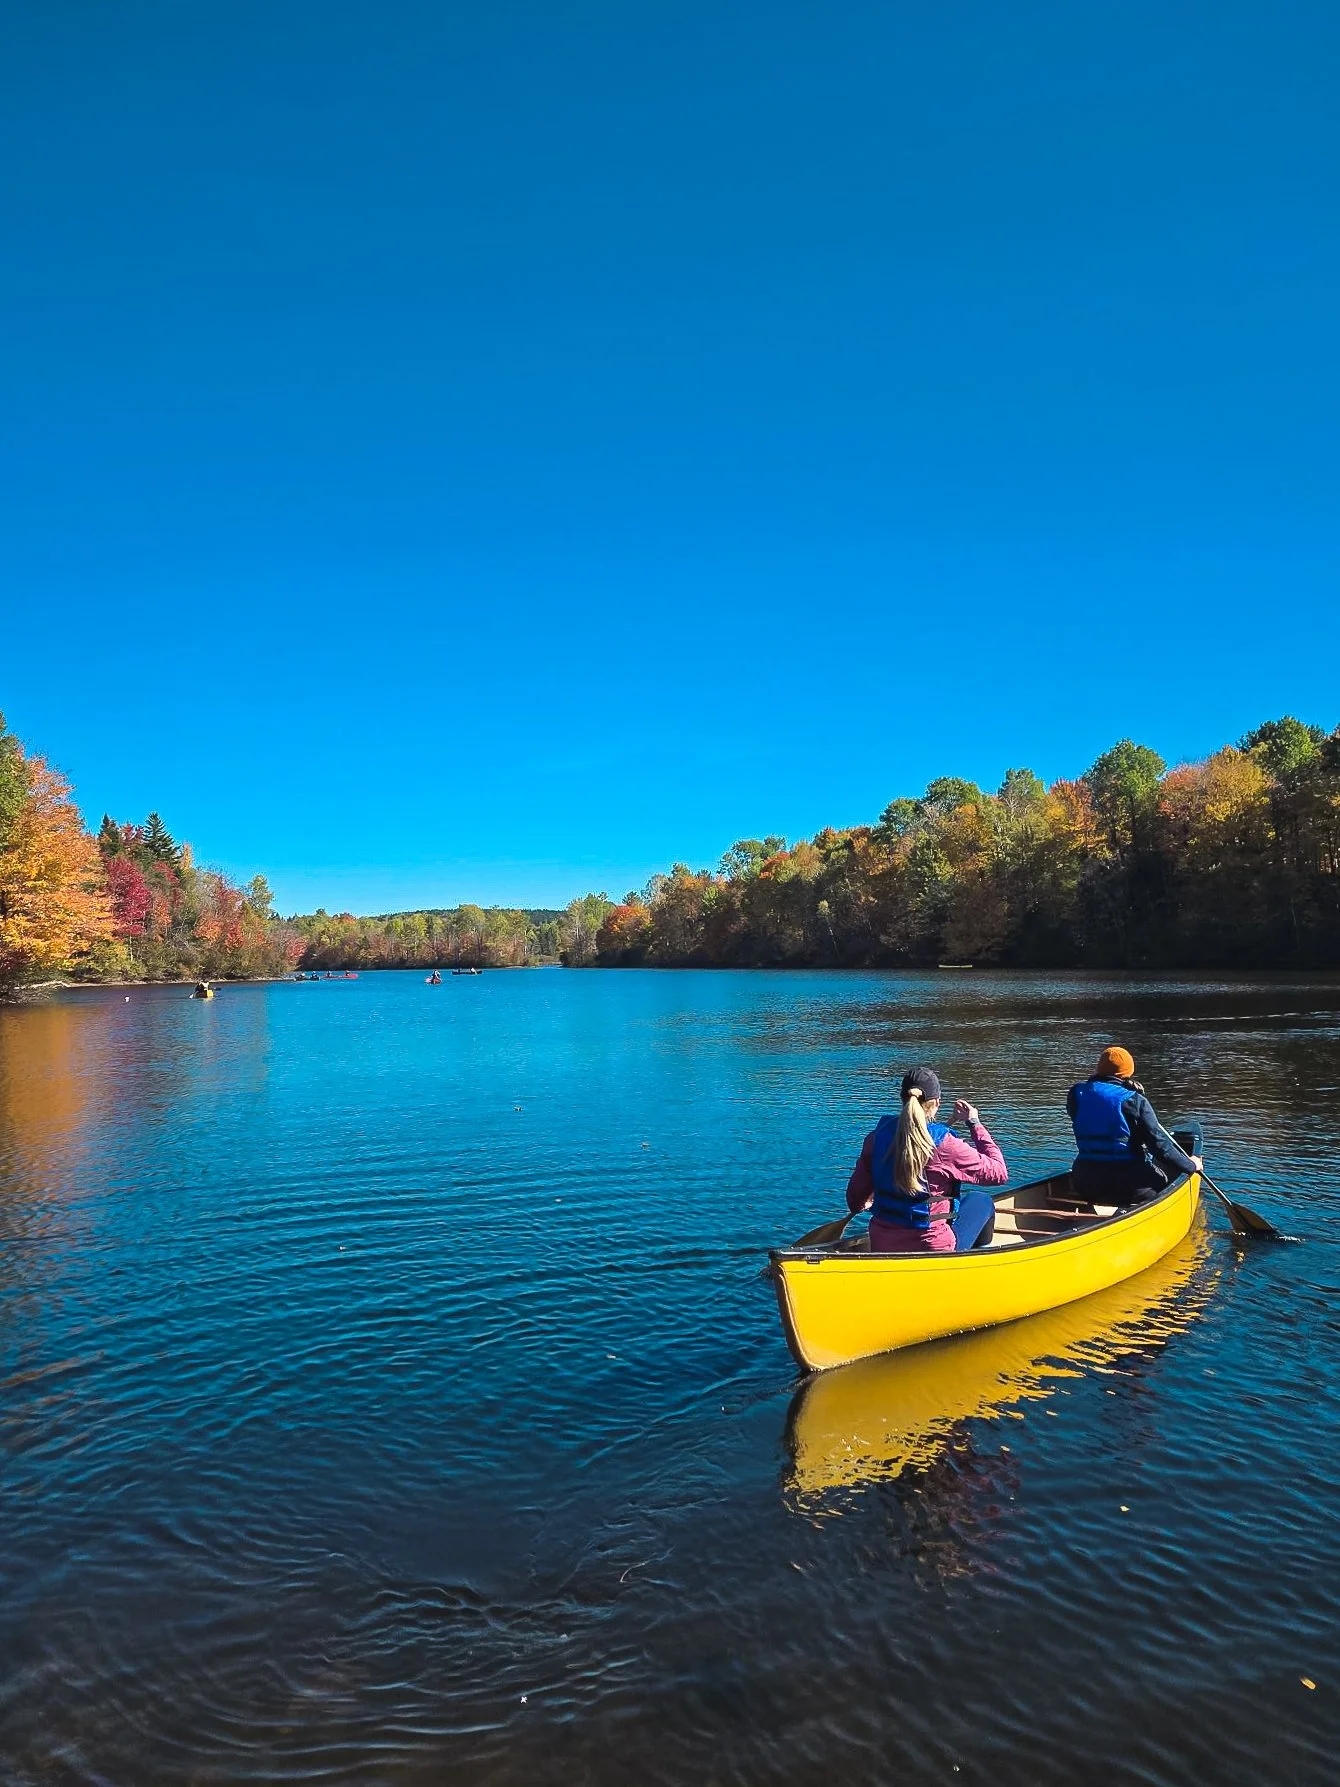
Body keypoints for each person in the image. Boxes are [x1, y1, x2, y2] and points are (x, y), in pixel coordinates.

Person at [845, 1066, 1009, 1253]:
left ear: (902, 1099)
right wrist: (974, 1124)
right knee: (981, 1201)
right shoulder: (947, 1146)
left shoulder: (875, 1139)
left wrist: (867, 1199)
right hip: (932, 1248)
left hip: (883, 1244)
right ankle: (977, 1264)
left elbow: (854, 1202)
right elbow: (999, 1173)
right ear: (937, 1102)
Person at [1067, 1047, 1203, 1208]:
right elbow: (1160, 1148)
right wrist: (1191, 1165)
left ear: (1099, 1068)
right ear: (1128, 1072)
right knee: (1164, 1179)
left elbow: (1096, 1104)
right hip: (1131, 1188)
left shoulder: (1076, 1094)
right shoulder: (1134, 1100)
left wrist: (1122, 1088)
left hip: (1086, 1184)